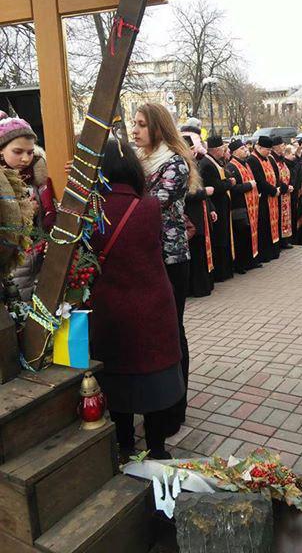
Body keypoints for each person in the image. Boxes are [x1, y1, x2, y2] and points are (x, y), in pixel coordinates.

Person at [90, 141, 184, 462]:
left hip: (109, 311)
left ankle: (125, 445)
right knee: (154, 381)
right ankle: (156, 448)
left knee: (116, 382)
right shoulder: (148, 207)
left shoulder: (90, 209)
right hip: (153, 307)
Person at [132, 102, 200, 429]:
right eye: (134, 124)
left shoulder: (175, 164)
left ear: (158, 127)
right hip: (145, 256)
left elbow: (150, 206)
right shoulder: (139, 162)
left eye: (142, 124)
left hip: (171, 258)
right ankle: (156, 402)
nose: (135, 130)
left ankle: (176, 408)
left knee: (173, 329)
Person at [0, 117, 56, 300]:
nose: (25, 158)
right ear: (1, 150)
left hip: (37, 255)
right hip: (11, 263)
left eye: (30, 152)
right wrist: (24, 211)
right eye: (18, 151)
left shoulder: (37, 180)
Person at [198, 135, 236, 282]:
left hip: (222, 206)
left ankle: (226, 269)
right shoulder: (207, 164)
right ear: (216, 149)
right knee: (220, 239)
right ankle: (221, 272)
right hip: (216, 207)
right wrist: (229, 183)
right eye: (222, 148)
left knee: (224, 238)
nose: (224, 151)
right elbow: (214, 186)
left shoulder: (215, 161)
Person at [183, 136, 215, 298]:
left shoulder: (193, 164)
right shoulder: (180, 167)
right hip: (191, 215)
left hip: (201, 212)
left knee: (200, 251)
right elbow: (184, 194)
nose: (193, 151)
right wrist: (204, 193)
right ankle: (196, 288)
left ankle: (204, 285)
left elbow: (201, 187)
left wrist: (211, 208)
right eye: (190, 148)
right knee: (194, 252)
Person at [226, 140, 260, 273]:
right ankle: (240, 264)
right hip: (239, 206)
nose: (245, 150)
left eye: (245, 147)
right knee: (241, 235)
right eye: (242, 148)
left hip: (250, 206)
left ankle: (250, 261)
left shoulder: (245, 163)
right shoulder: (231, 166)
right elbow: (233, 188)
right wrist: (249, 185)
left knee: (248, 235)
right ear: (234, 152)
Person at [246, 136, 280, 263]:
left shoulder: (268, 159)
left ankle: (271, 252)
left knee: (270, 225)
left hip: (271, 198)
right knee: (263, 227)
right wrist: (272, 190)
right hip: (262, 198)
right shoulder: (253, 160)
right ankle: (264, 254)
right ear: (259, 147)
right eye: (267, 149)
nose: (269, 152)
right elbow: (259, 180)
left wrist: (277, 188)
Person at [270, 136, 294, 249]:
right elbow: (275, 177)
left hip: (286, 192)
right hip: (279, 192)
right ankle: (281, 240)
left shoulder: (281, 158)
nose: (284, 147)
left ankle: (285, 239)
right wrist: (285, 187)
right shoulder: (272, 159)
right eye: (282, 145)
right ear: (276, 147)